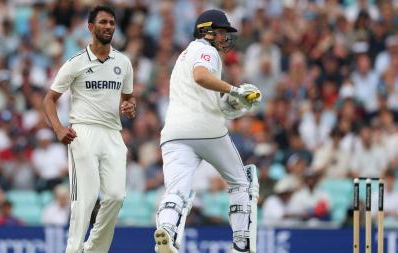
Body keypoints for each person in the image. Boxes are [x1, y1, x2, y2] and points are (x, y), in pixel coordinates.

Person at [154, 9, 261, 253]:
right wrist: (234, 91)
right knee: (241, 182)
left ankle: (167, 233)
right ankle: (241, 242)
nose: (224, 38)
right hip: (207, 129)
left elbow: (204, 95)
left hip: (173, 133)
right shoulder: (206, 51)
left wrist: (230, 103)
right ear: (207, 31)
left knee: (176, 190)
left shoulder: (183, 55)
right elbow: (200, 76)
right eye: (221, 32)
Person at [42, 5, 135, 253]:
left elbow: (128, 97)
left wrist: (129, 106)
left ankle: (94, 249)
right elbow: (48, 99)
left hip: (113, 133)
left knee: (116, 197)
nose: (108, 27)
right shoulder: (76, 62)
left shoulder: (123, 62)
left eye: (112, 23)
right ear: (91, 27)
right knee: (84, 200)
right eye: (103, 22)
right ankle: (73, 250)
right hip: (83, 133)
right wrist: (59, 129)